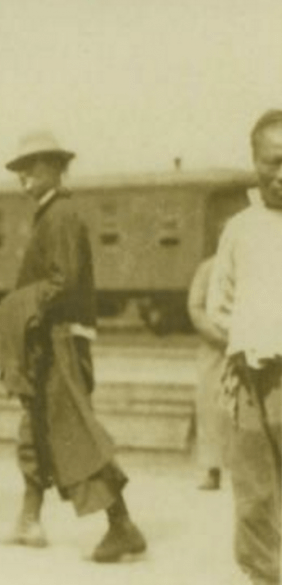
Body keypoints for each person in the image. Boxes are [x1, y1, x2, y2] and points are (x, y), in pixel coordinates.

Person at [0, 130, 146, 562]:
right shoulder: (50, 214)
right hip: (48, 338)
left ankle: (122, 526)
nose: (23, 175)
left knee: (73, 429)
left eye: (33, 166)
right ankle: (29, 519)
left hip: (59, 339)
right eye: (19, 168)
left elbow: (64, 282)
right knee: (35, 427)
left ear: (56, 168)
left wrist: (19, 306)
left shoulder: (60, 215)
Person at [207, 109, 282, 585]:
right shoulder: (240, 229)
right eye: (272, 162)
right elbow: (219, 303)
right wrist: (248, 340)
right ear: (254, 163)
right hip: (253, 380)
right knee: (254, 494)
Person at [187, 253, 230, 491]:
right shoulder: (208, 268)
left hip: (250, 344)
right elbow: (195, 307)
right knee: (210, 408)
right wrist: (219, 337)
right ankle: (212, 469)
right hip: (215, 348)